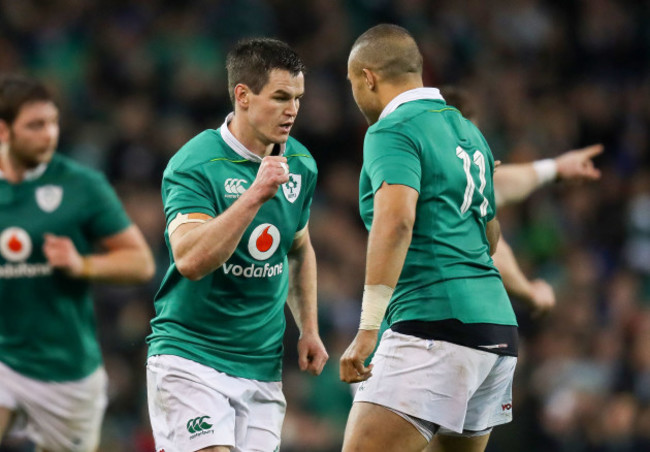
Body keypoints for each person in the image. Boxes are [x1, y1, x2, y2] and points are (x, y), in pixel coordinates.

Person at [339, 24, 519, 452]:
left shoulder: (392, 129)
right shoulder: (468, 132)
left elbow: (396, 221)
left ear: (368, 77)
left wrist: (368, 328)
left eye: (351, 84)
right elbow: (490, 237)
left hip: (434, 325)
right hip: (495, 332)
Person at [146, 38, 329, 452]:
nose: (293, 110)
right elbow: (190, 259)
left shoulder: (301, 163)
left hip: (261, 368)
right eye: (281, 97)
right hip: (191, 359)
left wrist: (309, 329)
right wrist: (255, 194)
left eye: (298, 98)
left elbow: (298, 247)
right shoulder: (195, 163)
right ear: (242, 96)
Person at [0, 74, 155, 452]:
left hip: (66, 369)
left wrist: (83, 264)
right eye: (35, 125)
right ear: (4, 130)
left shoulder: (82, 186)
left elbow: (141, 263)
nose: (49, 134)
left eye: (52, 123)